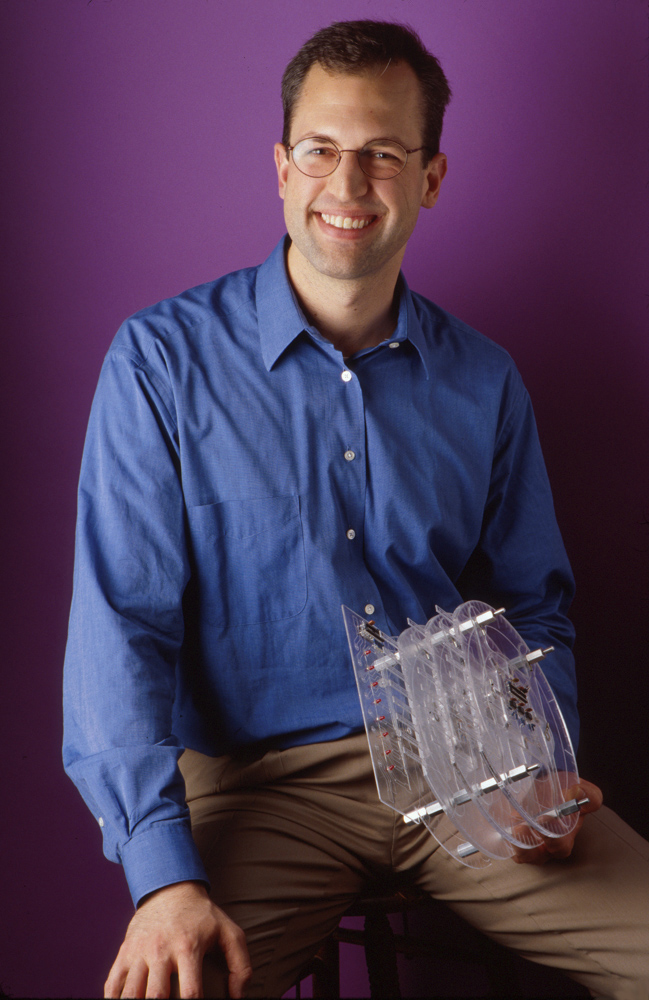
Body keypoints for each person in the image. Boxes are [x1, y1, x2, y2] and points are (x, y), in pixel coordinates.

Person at [63, 20, 649, 1000]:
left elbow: (532, 608)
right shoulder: (160, 363)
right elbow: (119, 628)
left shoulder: (485, 381)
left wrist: (538, 764)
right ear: (280, 168)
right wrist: (162, 875)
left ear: (430, 177)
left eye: (382, 153)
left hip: (465, 773)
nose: (348, 182)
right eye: (320, 149)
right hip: (258, 786)